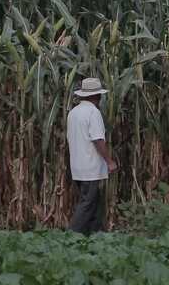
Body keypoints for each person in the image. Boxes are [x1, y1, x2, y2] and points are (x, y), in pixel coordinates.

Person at [67, 77, 118, 235]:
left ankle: (94, 236)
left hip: (77, 167)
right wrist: (109, 161)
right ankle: (70, 236)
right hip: (90, 167)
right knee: (88, 203)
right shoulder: (93, 113)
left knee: (95, 203)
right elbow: (98, 139)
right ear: (97, 96)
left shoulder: (73, 113)